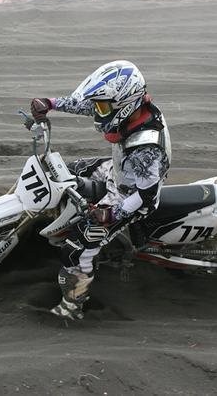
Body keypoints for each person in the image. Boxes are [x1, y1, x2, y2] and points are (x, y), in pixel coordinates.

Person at [30, 60, 172, 320]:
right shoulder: (135, 109)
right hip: (117, 170)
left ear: (124, 103)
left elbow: (146, 195)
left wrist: (112, 214)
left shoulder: (146, 149)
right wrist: (49, 103)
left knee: (76, 249)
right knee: (65, 171)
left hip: (129, 195)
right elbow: (91, 106)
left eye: (103, 105)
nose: (98, 110)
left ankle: (72, 306)